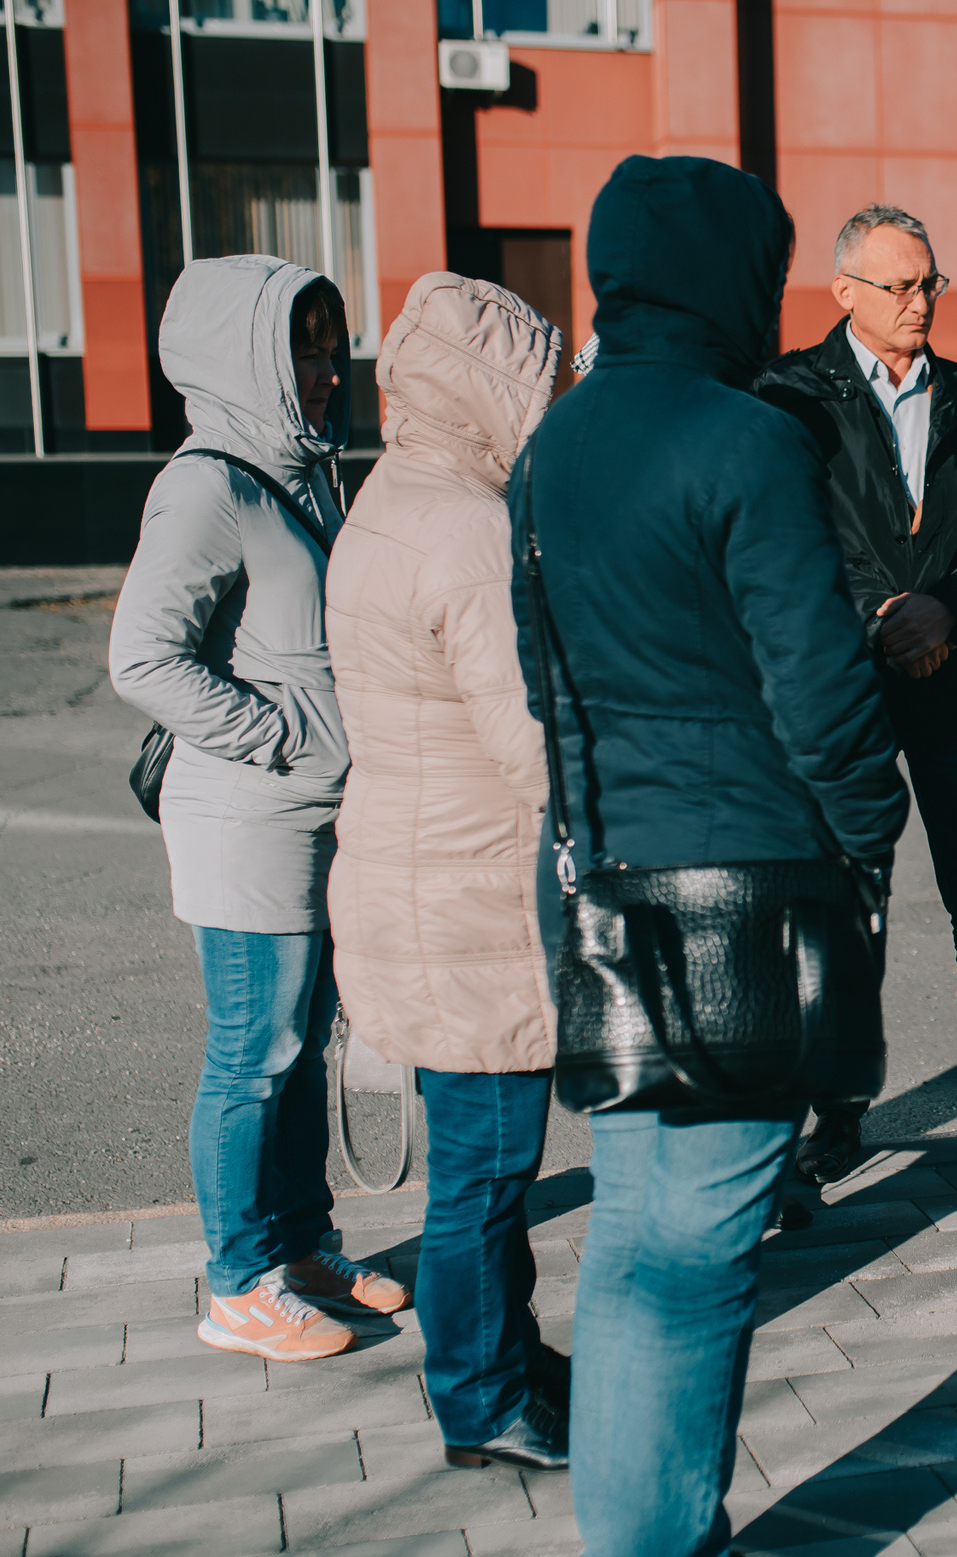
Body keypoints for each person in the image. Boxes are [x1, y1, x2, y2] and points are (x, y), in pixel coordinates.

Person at [517, 155, 906, 1557]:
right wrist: (869, 840)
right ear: (738, 275)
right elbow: (820, 686)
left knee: (634, 1245)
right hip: (745, 882)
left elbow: (546, 684)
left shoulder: (550, 448)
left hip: (616, 878)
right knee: (699, 1255)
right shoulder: (746, 440)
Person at [110, 256, 410, 1364]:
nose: (327, 370)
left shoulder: (304, 470)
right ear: (247, 356)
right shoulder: (208, 483)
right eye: (302, 348)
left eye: (331, 347)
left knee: (299, 1040)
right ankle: (237, 1279)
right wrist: (281, 737)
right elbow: (142, 657)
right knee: (253, 1048)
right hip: (249, 819)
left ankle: (301, 1242)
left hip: (314, 817)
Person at [754, 205, 957, 1174]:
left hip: (953, 683)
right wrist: (881, 611)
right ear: (844, 291)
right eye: (899, 284)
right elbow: (788, 527)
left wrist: (943, 608)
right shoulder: (788, 395)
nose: (918, 302)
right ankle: (839, 1115)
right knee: (852, 904)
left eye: (929, 282)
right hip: (841, 686)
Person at [324, 272, 570, 1468]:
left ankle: (503, 1353)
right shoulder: (470, 529)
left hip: (414, 877)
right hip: (470, 895)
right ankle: (481, 1395)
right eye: (541, 376)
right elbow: (528, 738)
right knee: (484, 1173)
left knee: (482, 1161)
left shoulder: (393, 497)